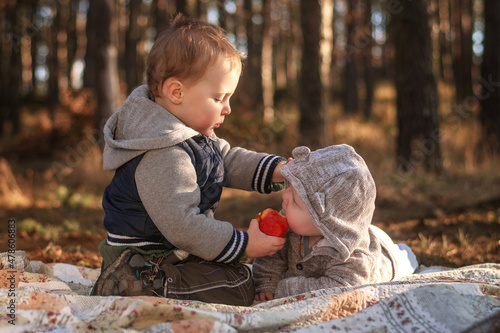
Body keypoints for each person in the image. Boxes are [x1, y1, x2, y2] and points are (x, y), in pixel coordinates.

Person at [91, 14, 287, 306]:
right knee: (241, 283)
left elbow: (227, 160)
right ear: (176, 92)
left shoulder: (187, 135)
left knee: (235, 273)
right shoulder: (163, 151)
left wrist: (279, 170)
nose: (228, 109)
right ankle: (135, 287)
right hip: (142, 262)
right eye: (220, 97)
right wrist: (245, 244)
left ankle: (162, 282)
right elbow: (184, 226)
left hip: (169, 253)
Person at [252, 145, 419, 302]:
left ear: (325, 220)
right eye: (289, 188)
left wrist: (284, 288)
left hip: (383, 252)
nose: (284, 196)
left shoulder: (353, 256)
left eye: (295, 200)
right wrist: (267, 283)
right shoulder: (290, 222)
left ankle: (407, 253)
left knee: (401, 261)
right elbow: (272, 257)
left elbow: (341, 288)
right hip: (357, 227)